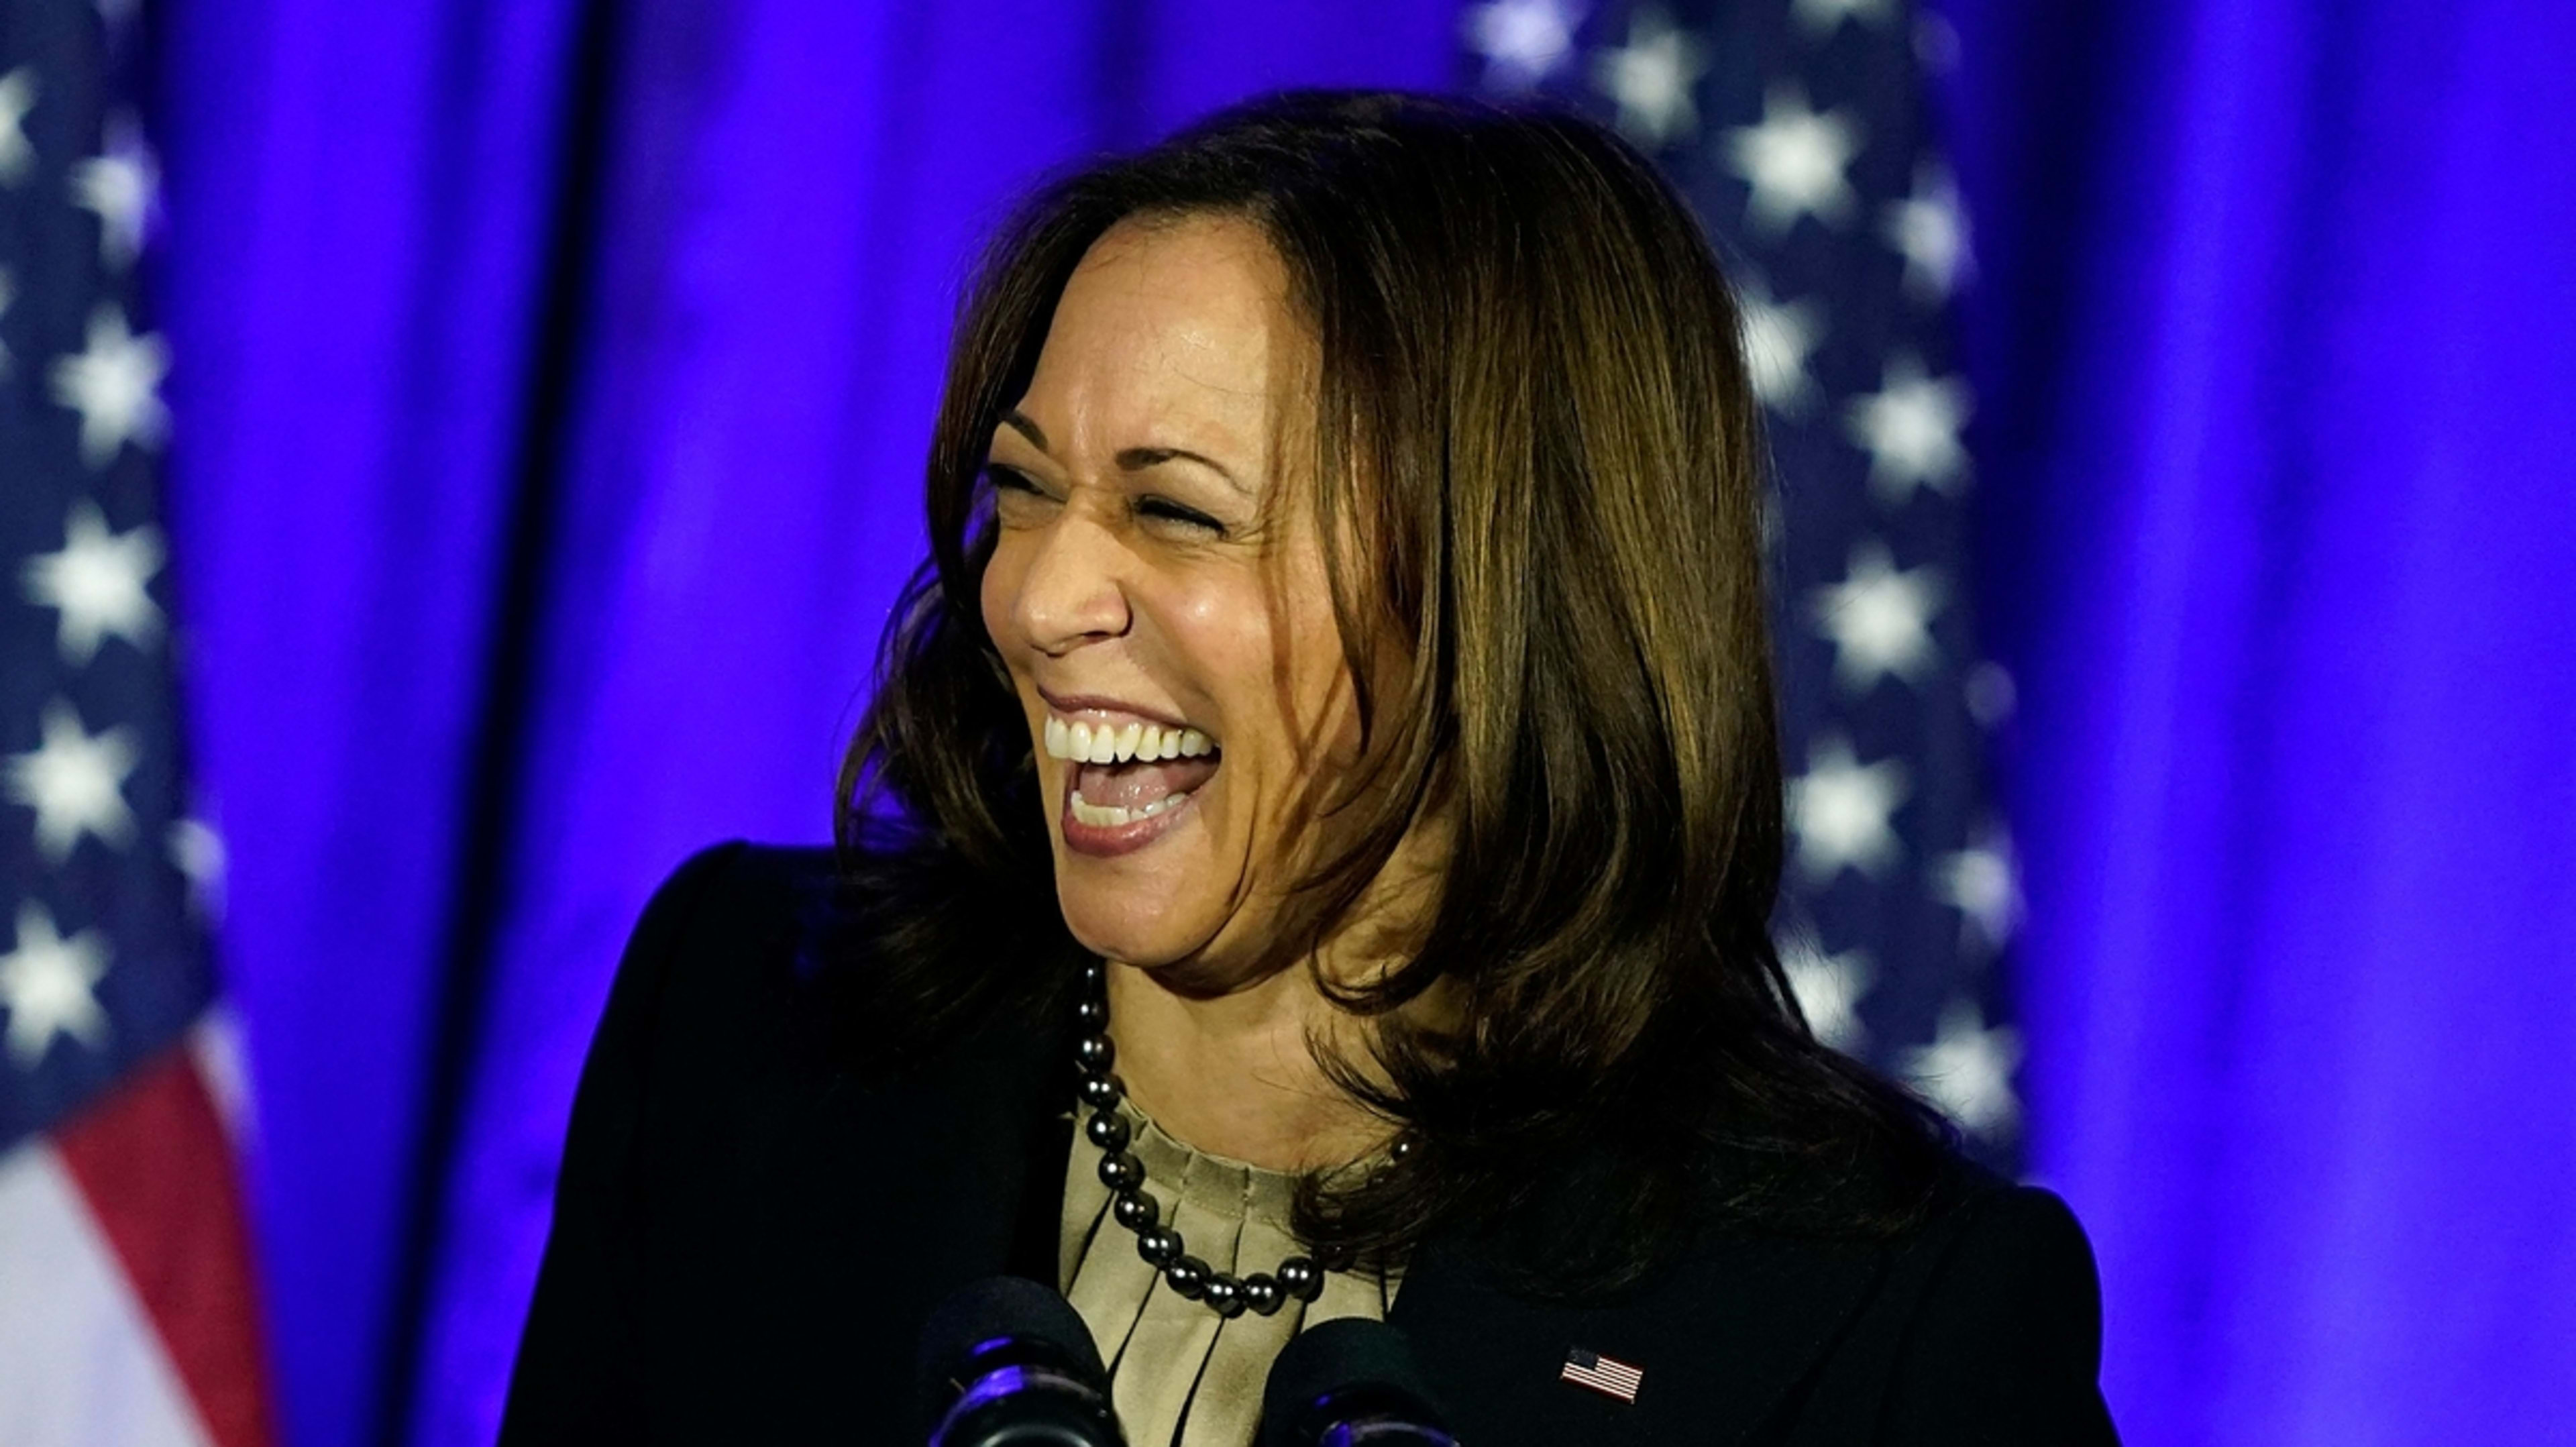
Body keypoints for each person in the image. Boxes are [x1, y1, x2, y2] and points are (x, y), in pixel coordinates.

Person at [498, 90, 2117, 1446]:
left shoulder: (1881, 1321)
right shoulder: (747, 1024)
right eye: (1027, 487)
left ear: (1509, 599)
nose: (1042, 598)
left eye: (1177, 509)